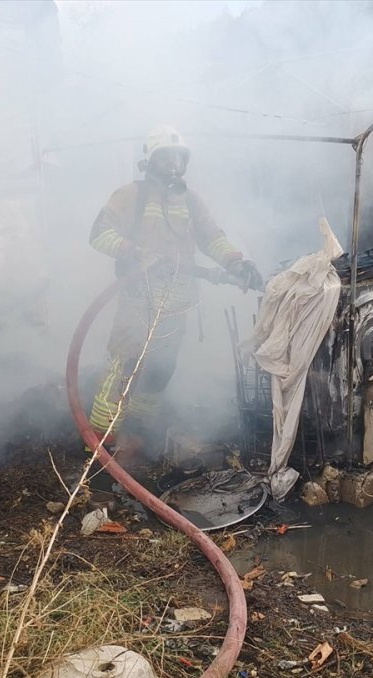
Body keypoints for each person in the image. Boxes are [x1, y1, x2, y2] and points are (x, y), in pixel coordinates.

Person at [88, 125, 262, 442]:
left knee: (160, 371)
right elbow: (99, 234)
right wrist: (133, 251)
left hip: (177, 303)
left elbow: (212, 238)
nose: (174, 166)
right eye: (166, 159)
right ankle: (101, 444)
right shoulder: (131, 195)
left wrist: (236, 262)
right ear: (150, 162)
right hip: (138, 302)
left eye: (179, 160)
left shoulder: (190, 202)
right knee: (124, 367)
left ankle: (137, 437)